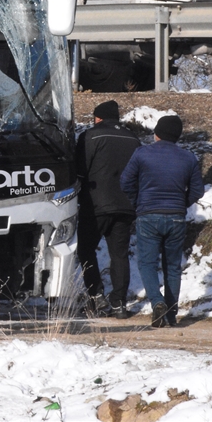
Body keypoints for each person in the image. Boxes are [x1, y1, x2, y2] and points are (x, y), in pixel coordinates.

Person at [120, 115, 204, 328]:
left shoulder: (142, 153)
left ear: (156, 133)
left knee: (147, 263)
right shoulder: (189, 158)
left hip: (148, 214)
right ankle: (171, 315)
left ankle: (157, 302)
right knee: (173, 266)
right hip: (176, 216)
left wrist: (138, 202)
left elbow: (125, 182)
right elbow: (197, 191)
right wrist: (180, 204)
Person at [74, 100, 141, 318]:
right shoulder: (133, 139)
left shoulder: (90, 136)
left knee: (85, 249)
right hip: (125, 205)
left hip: (95, 205)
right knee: (119, 254)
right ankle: (119, 304)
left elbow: (79, 172)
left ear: (99, 117)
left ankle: (96, 296)